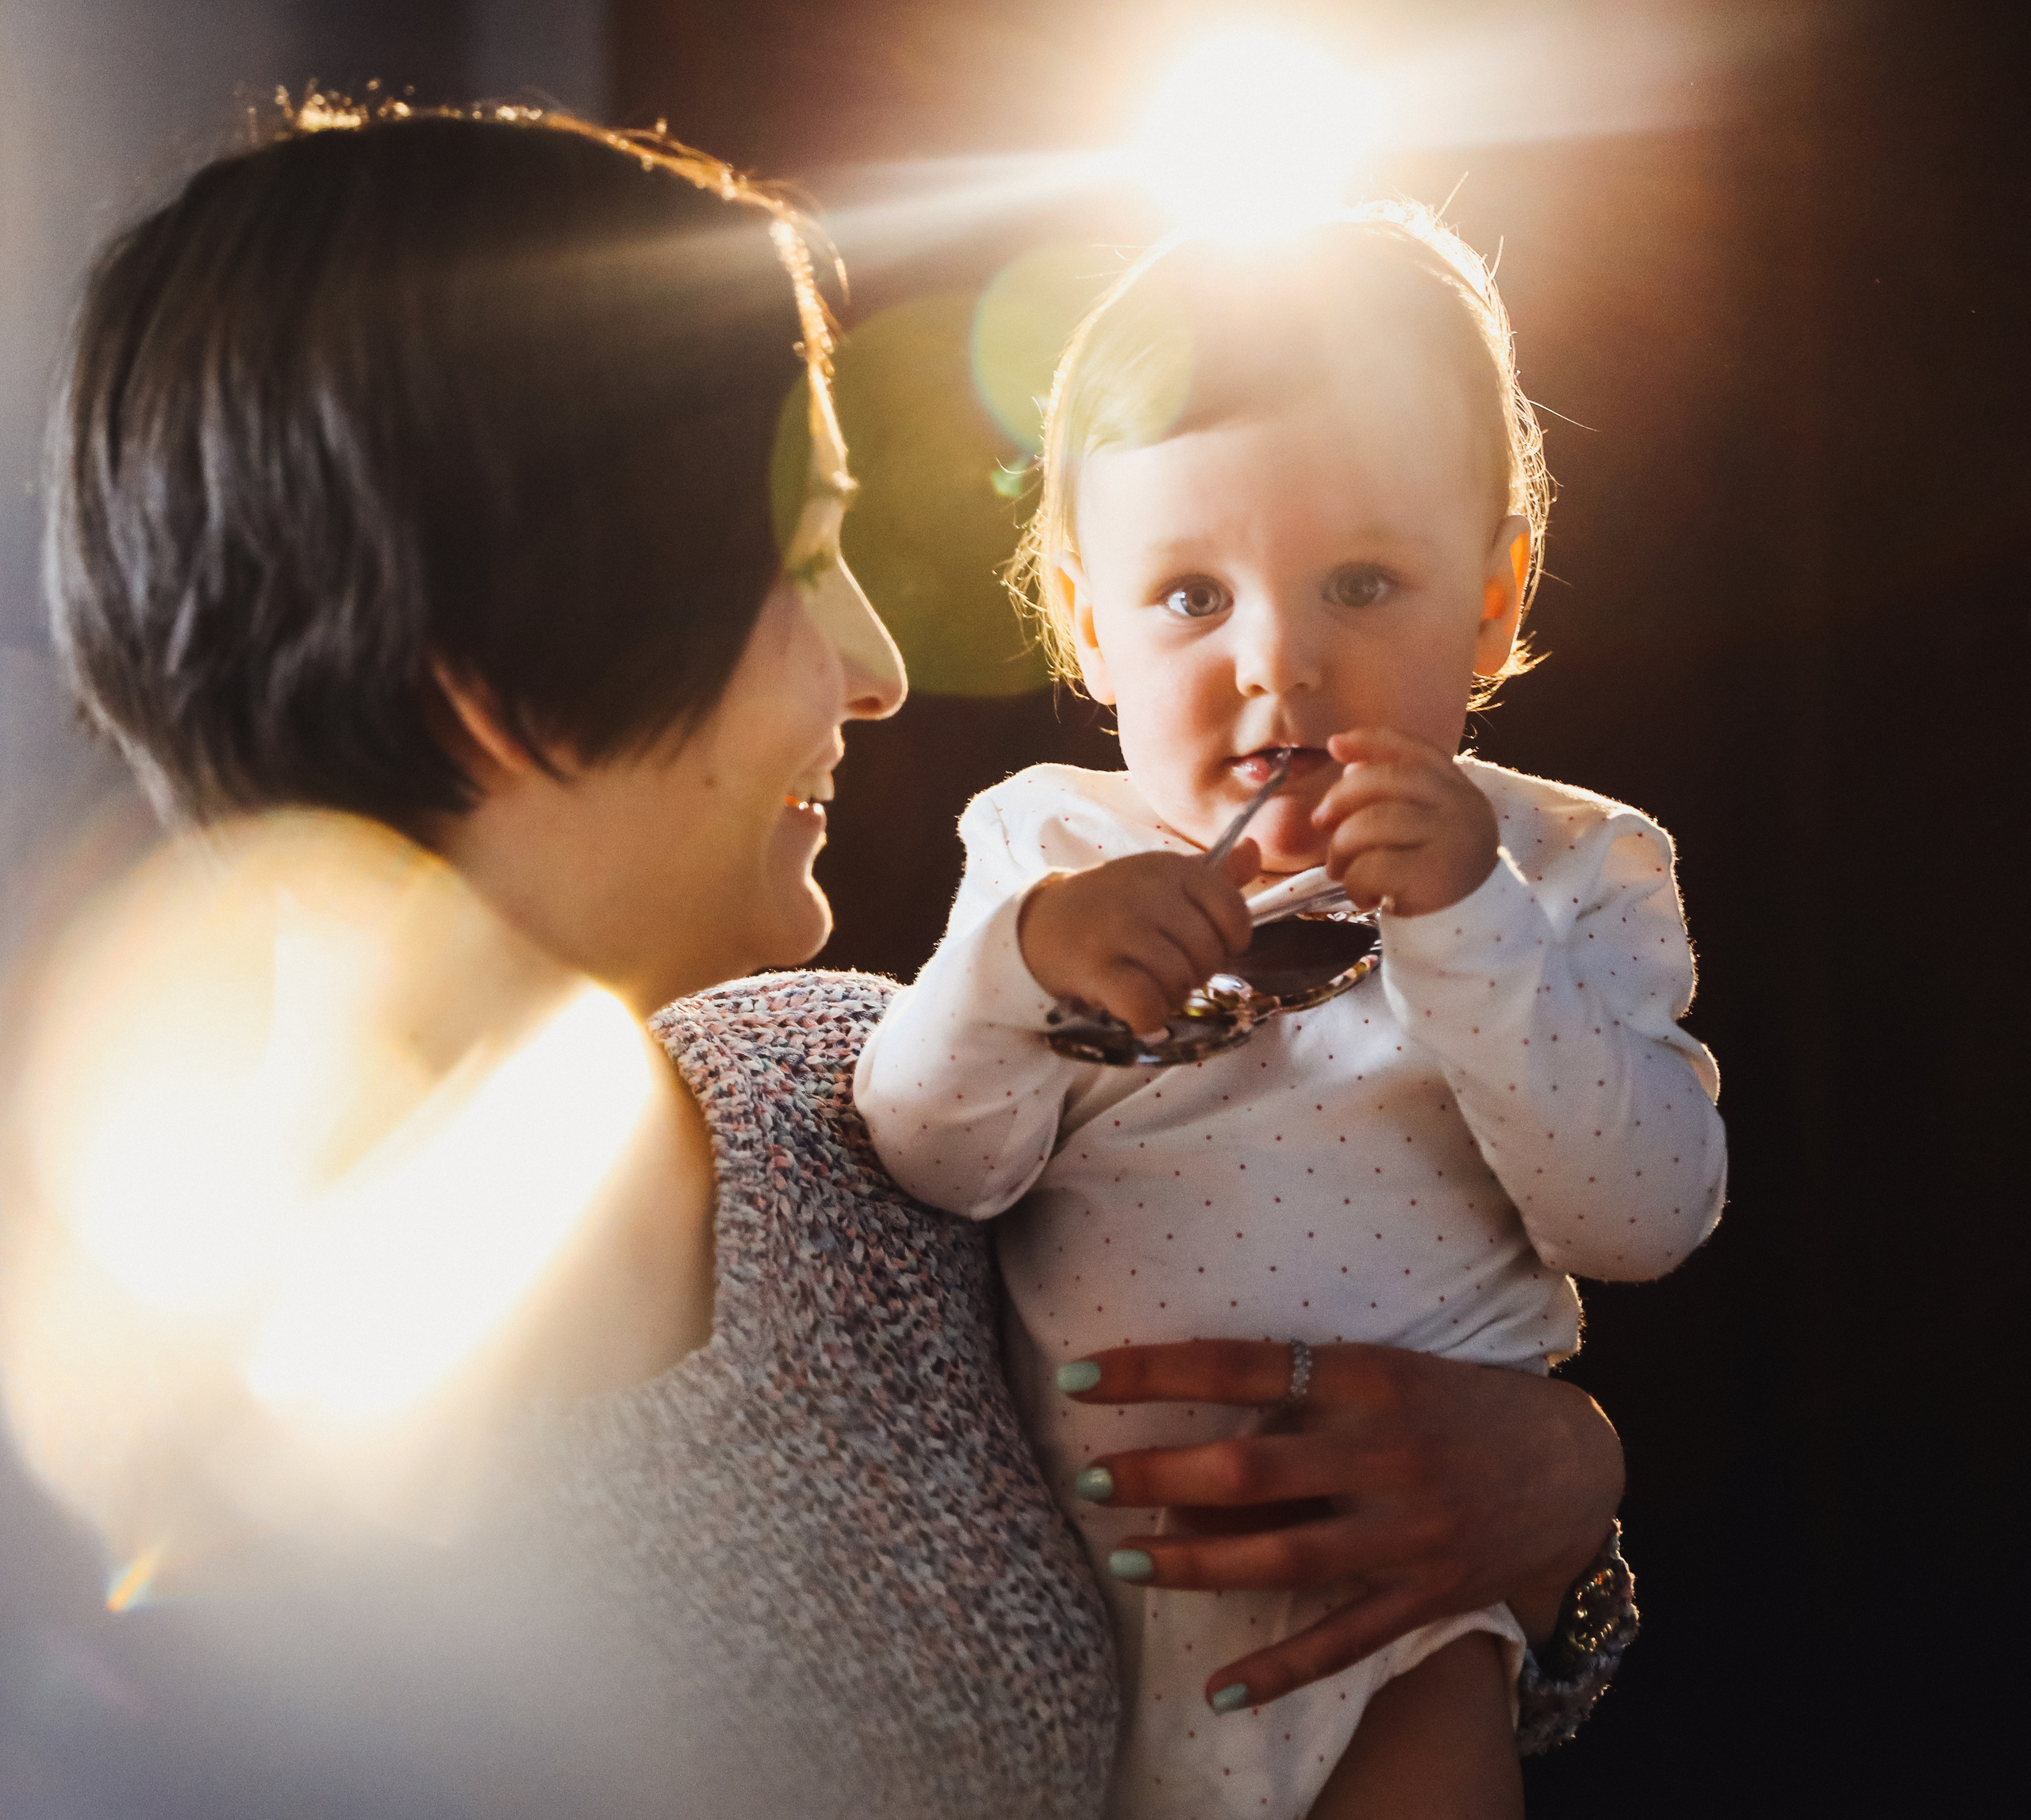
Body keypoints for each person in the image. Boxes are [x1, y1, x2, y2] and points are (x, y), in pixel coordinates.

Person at [17, 104, 1631, 1817]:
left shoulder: (856, 1106)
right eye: (794, 563)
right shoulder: (154, 1491)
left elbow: (1290, 1639)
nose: (874, 667)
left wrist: (1556, 1501)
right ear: (480, 682)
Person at [855, 203, 1725, 1818]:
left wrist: (1467, 924)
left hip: (1404, 1613)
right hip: (1101, 1630)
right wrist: (1022, 969)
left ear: (1489, 592)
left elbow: (1643, 1214)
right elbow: (928, 1156)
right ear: (1086, 618)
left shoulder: (1570, 867)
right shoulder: (1048, 851)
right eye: (1189, 594)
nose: (1277, 662)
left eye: (1360, 581)